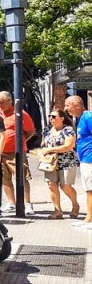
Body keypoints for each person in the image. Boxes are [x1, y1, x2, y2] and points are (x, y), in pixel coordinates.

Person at [0, 91, 36, 213]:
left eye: (2, 102)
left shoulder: (20, 114)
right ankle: (11, 202)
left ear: (10, 101)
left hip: (16, 152)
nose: (0, 105)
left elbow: (31, 131)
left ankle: (27, 204)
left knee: (22, 177)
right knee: (5, 179)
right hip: (0, 152)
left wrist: (21, 141)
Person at [40, 110, 80, 219]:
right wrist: (44, 150)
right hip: (51, 161)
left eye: (53, 116)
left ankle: (75, 205)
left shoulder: (68, 130)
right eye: (49, 116)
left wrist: (50, 149)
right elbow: (43, 143)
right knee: (51, 185)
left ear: (62, 118)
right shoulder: (47, 130)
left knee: (65, 185)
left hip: (67, 160)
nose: (51, 118)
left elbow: (68, 146)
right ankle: (57, 211)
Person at [64, 95, 92, 226]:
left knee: (90, 189)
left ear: (77, 105)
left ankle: (90, 218)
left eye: (67, 105)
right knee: (88, 188)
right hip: (85, 158)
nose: (66, 109)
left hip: (90, 158)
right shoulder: (80, 119)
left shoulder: (88, 117)